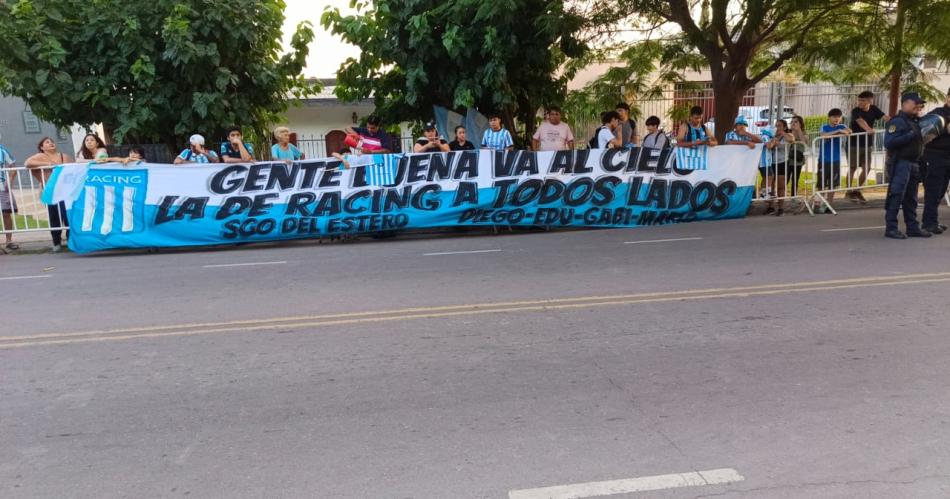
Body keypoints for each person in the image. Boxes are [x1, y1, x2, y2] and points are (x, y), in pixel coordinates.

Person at [883, 93, 930, 239]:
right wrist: (911, 134)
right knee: (896, 195)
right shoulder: (897, 122)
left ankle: (912, 227)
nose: (918, 106)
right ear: (904, 104)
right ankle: (891, 228)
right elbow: (889, 143)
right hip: (900, 163)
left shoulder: (915, 121)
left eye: (920, 104)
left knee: (911, 198)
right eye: (915, 103)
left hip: (913, 163)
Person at [24, 137, 72, 252]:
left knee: (68, 215)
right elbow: (27, 163)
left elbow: (70, 169)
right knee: (54, 216)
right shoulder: (40, 156)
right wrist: (48, 164)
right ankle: (56, 242)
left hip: (66, 190)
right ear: (42, 147)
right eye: (47, 142)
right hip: (51, 191)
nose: (51, 143)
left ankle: (70, 240)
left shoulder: (63, 156)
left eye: (52, 142)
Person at [847, 91, 888, 203]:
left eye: (863, 100)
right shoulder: (856, 110)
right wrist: (868, 129)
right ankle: (848, 191)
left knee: (867, 168)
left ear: (870, 101)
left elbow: (885, 117)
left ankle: (856, 190)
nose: (859, 102)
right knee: (852, 168)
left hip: (867, 144)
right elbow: (860, 121)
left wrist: (896, 123)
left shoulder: (874, 109)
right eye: (859, 100)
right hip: (854, 144)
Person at [921, 87, 950, 234]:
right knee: (934, 190)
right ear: (947, 97)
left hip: (947, 157)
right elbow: (924, 131)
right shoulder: (938, 113)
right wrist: (945, 129)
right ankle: (928, 223)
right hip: (935, 156)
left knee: (942, 190)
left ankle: (933, 220)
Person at [815, 109, 851, 212]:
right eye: (834, 116)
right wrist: (838, 132)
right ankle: (821, 203)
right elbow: (823, 135)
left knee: (833, 184)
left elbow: (849, 131)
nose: (837, 119)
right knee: (822, 184)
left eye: (839, 117)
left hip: (835, 160)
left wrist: (841, 130)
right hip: (824, 160)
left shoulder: (842, 126)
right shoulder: (824, 127)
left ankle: (828, 205)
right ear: (829, 117)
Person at [764, 120, 795, 216]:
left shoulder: (788, 135)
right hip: (772, 163)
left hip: (782, 162)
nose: (777, 127)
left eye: (780, 126)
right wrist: (773, 140)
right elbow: (769, 146)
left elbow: (791, 140)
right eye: (776, 126)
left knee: (781, 186)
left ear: (785, 127)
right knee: (771, 186)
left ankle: (781, 208)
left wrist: (782, 133)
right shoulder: (773, 136)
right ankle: (770, 207)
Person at [0, 137, 19, 251]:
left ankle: (9, 240)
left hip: (2, 186)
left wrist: (10, 181)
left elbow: (13, 166)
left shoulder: (2, 151)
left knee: (6, 213)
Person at [788, 116, 809, 197]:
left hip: (797, 160)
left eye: (796, 121)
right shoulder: (788, 132)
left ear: (801, 123)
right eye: (792, 121)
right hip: (787, 159)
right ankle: (781, 196)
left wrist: (798, 129)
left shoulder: (803, 132)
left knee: (795, 179)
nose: (793, 123)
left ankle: (793, 196)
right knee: (785, 178)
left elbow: (804, 141)